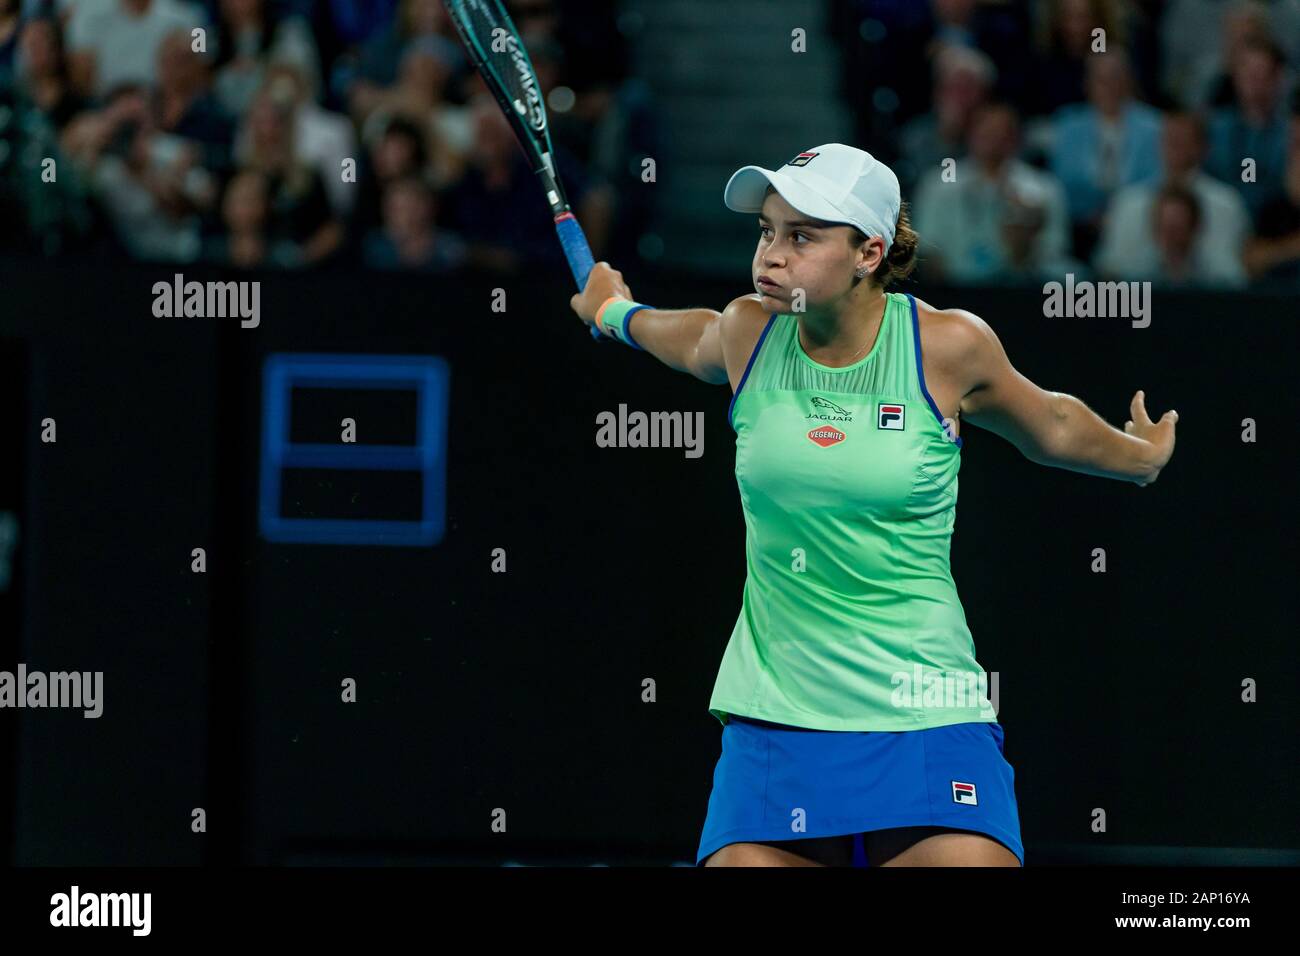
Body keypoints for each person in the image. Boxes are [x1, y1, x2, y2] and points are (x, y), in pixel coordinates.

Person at [568, 143, 1178, 867]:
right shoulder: (749, 332)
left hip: (926, 710)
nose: (771, 255)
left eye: (802, 236)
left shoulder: (946, 345)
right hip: (778, 713)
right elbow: (683, 333)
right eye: (766, 230)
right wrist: (610, 308)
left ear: (869, 252)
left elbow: (1049, 423)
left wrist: (1139, 458)